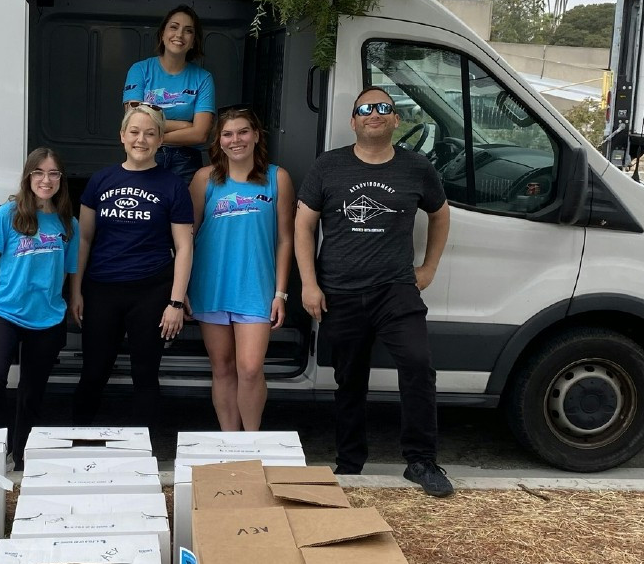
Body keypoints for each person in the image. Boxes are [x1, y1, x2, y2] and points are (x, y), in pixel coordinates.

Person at [294, 87, 455, 497]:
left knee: (418, 365)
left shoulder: (417, 168)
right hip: (340, 291)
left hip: (395, 289)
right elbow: (303, 226)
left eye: (384, 107)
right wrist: (309, 284)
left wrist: (429, 267)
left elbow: (439, 215)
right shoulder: (328, 167)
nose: (374, 113)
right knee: (349, 380)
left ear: (396, 119)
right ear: (353, 121)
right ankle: (350, 464)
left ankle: (421, 460)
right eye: (365, 108)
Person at [70, 104, 194, 431]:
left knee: (145, 373)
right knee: (94, 371)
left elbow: (184, 247)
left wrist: (175, 302)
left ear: (161, 140)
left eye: (150, 133)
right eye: (135, 132)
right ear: (122, 136)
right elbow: (83, 240)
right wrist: (76, 291)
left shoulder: (172, 186)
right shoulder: (101, 181)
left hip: (151, 291)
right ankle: (74, 444)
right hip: (101, 289)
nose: (142, 139)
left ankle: (145, 456)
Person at [187, 106, 294, 431]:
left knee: (249, 368)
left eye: (243, 131)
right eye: (228, 134)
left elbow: (285, 240)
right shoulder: (204, 179)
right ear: (218, 141)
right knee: (222, 367)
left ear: (256, 135)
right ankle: (229, 441)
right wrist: (181, 290)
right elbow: (185, 238)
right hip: (211, 286)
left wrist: (280, 293)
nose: (236, 140)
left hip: (256, 288)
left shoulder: (277, 178)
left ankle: (251, 441)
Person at [0, 148, 78, 469]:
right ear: (28, 176)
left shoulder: (67, 223)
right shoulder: (8, 214)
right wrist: (3, 297)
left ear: (61, 180)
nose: (46, 180)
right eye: (39, 173)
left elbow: (66, 271)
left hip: (47, 319)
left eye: (53, 174)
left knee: (32, 393)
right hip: (4, 315)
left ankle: (20, 455)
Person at [122, 4, 216, 180]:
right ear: (162, 34)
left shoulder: (203, 78)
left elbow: (200, 133)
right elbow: (132, 117)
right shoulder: (140, 70)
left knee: (181, 208)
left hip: (186, 160)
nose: (179, 35)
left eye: (188, 31)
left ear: (194, 41)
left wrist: (153, 133)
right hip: (145, 154)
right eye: (174, 27)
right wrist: (184, 125)